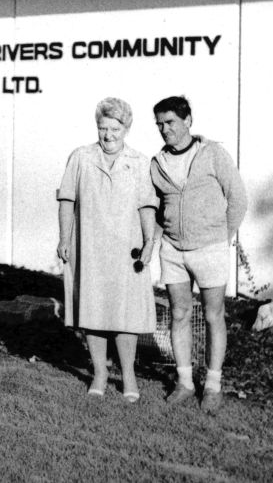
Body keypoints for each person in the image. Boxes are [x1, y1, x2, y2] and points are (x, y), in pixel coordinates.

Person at [56, 97, 158, 403]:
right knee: (93, 309)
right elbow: (66, 200)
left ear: (126, 128)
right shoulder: (81, 157)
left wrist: (149, 240)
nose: (108, 134)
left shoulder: (139, 162)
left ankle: (128, 376)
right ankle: (99, 373)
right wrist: (64, 238)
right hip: (88, 246)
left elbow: (146, 205)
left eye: (115, 128)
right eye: (103, 128)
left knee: (125, 314)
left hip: (127, 248)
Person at [150, 95, 247, 413]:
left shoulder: (213, 154)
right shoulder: (157, 163)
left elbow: (238, 199)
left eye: (171, 123)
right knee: (179, 314)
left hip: (210, 249)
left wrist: (221, 238)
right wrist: (155, 243)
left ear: (188, 120)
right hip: (173, 251)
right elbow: (156, 209)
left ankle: (213, 386)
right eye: (160, 124)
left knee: (213, 315)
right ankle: (185, 383)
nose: (166, 130)